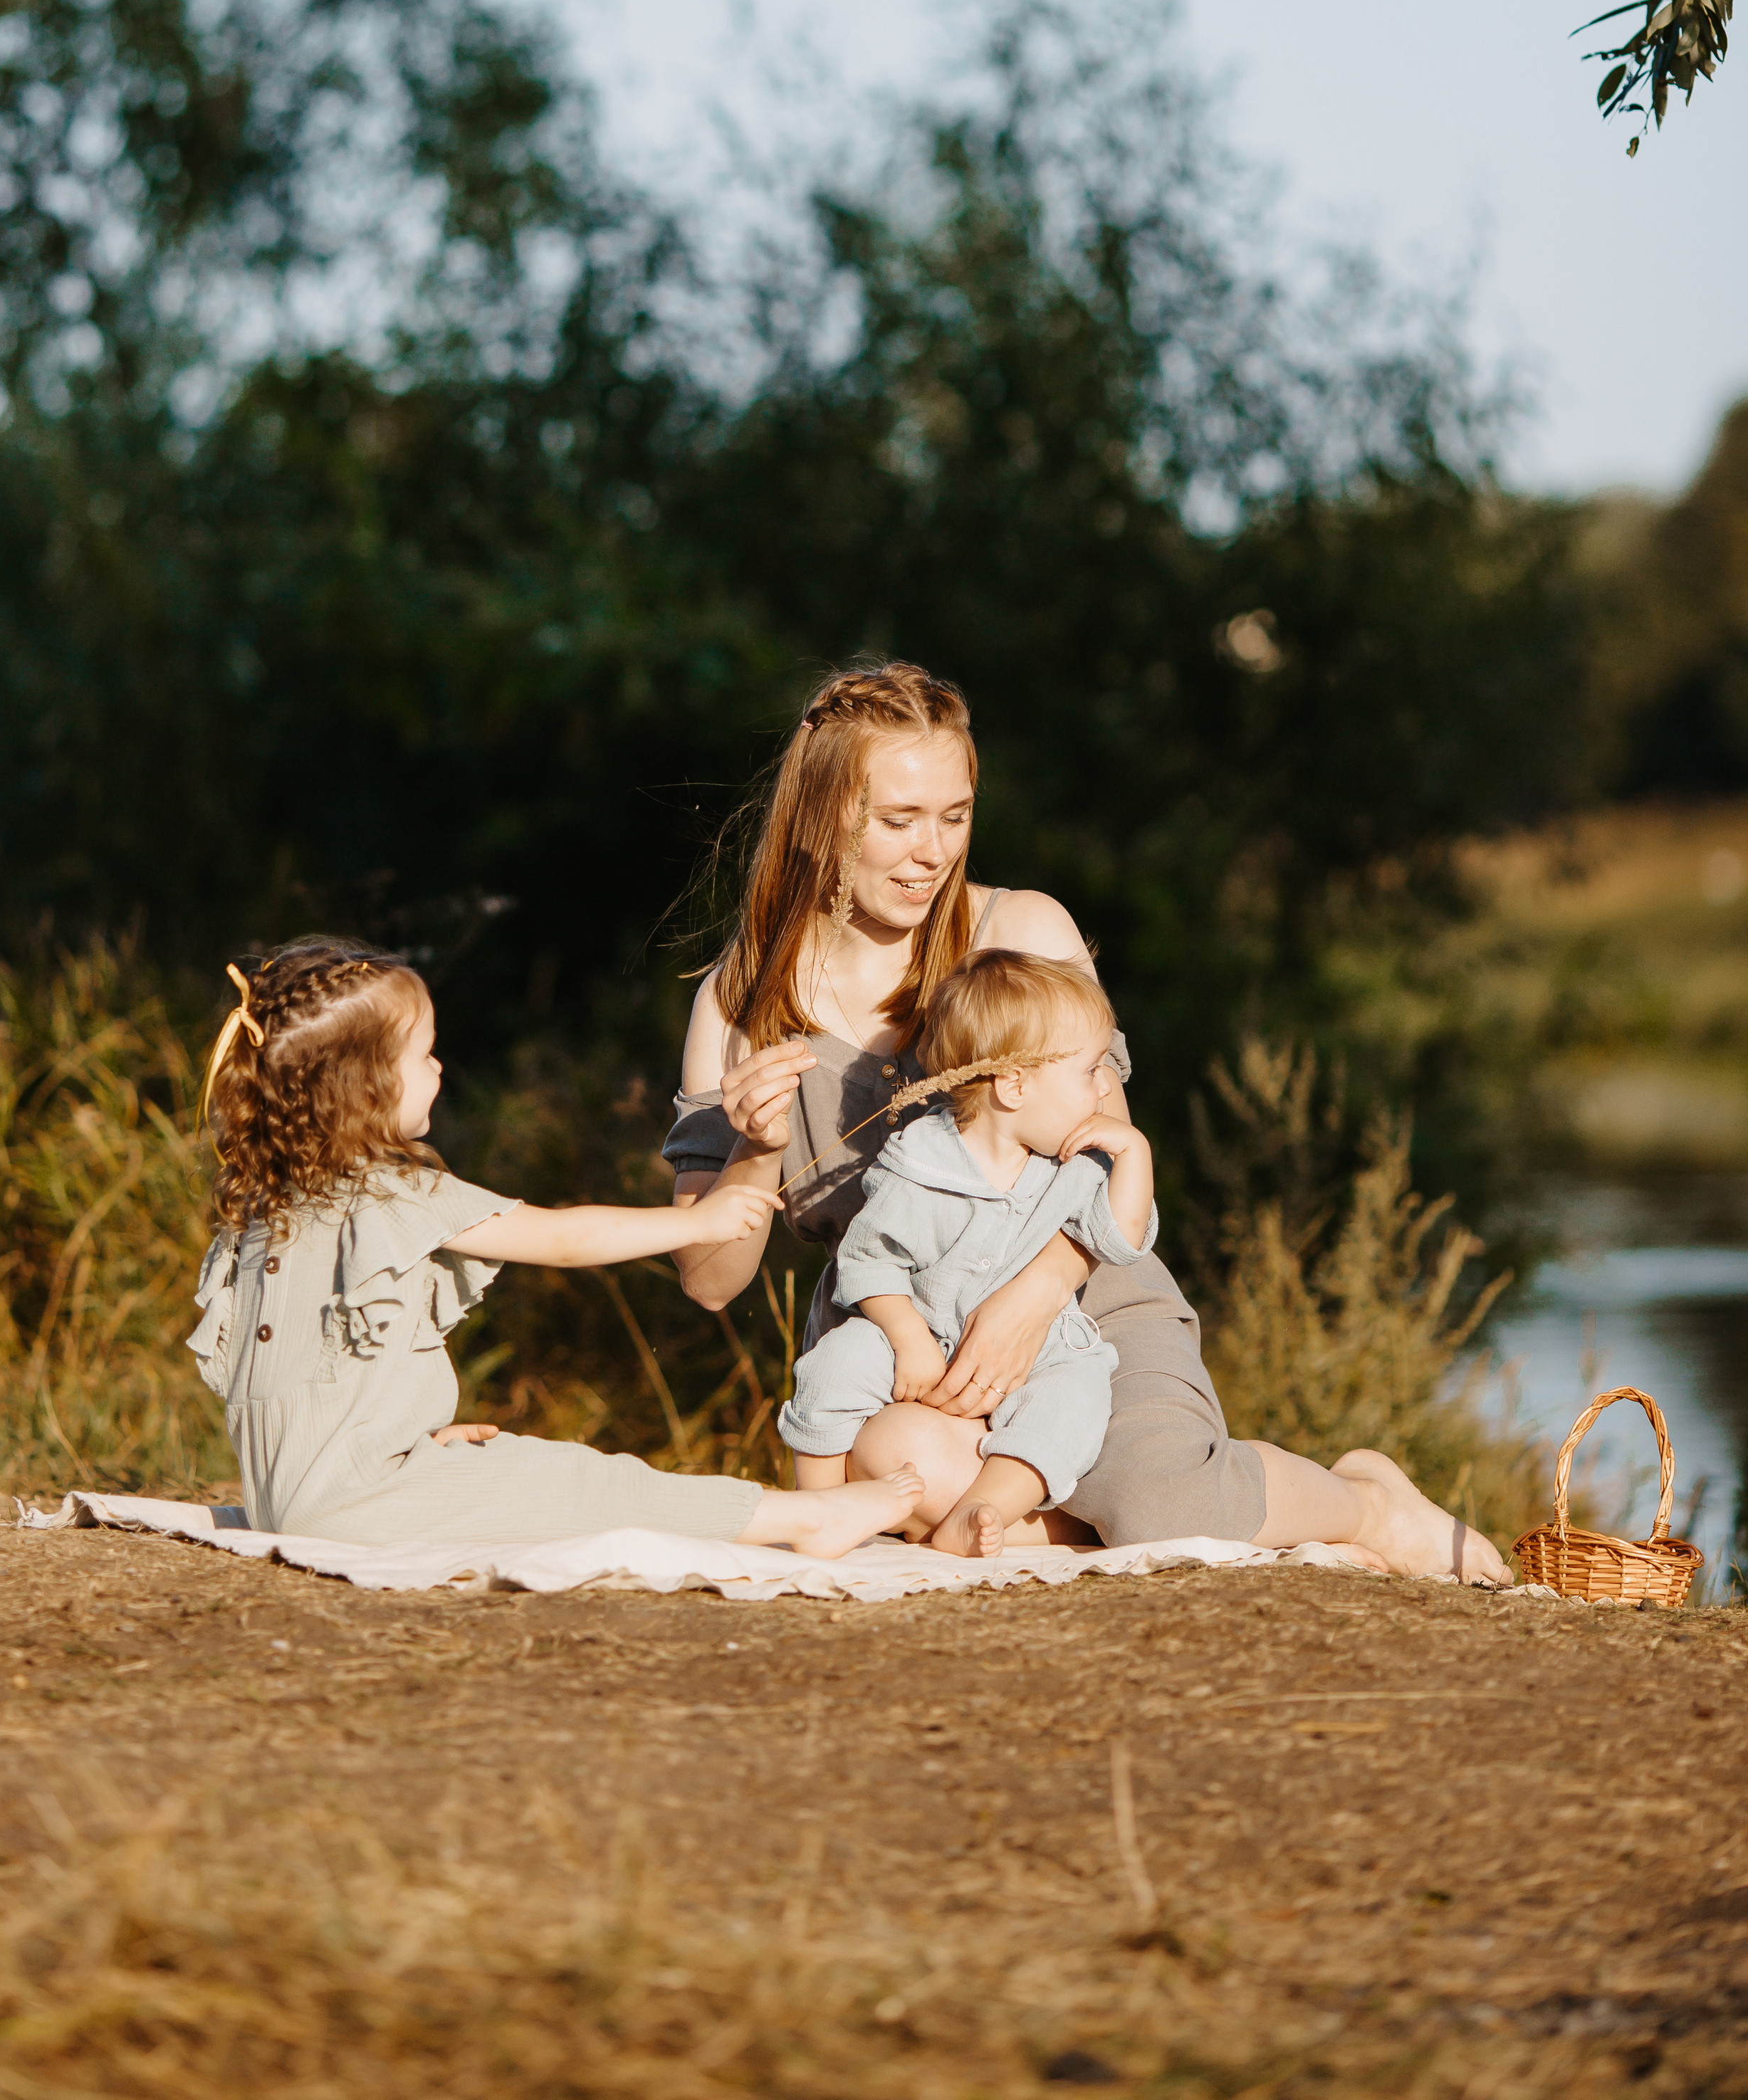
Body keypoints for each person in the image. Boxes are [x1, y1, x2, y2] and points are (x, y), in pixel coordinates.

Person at [664, 660, 1512, 1585]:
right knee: (898, 1476)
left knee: (1161, 1507)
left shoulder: (1021, 934)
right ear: (824, 816)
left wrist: (1027, 1307)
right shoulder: (739, 1004)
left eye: (955, 817)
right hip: (911, 1339)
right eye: (898, 821)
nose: (932, 853)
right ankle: (1156, 1520)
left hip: (1079, 1299)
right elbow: (710, 1280)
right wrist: (757, 1149)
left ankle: (1368, 1503)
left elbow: (1105, 1156)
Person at [186, 938, 921, 1558]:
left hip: (292, 1501)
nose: (439, 1069)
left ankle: (421, 1469)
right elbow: (566, 1236)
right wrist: (700, 1222)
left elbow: (302, 1386)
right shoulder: (391, 1195)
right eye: (424, 1055)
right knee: (587, 1483)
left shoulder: (264, 1209)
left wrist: (405, 1441)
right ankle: (805, 1520)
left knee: (512, 1470)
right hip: (358, 1507)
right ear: (362, 1085)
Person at [780, 948, 1155, 1557]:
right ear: (1013, 1085)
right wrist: (907, 1340)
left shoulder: (1080, 1161)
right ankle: (815, 1509)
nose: (1106, 1084)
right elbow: (870, 1261)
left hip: (1038, 1353)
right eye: (1089, 1070)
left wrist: (1134, 1153)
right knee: (836, 1363)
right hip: (922, 1329)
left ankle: (986, 1507)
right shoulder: (922, 1162)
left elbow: (1121, 1236)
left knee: (1074, 1400)